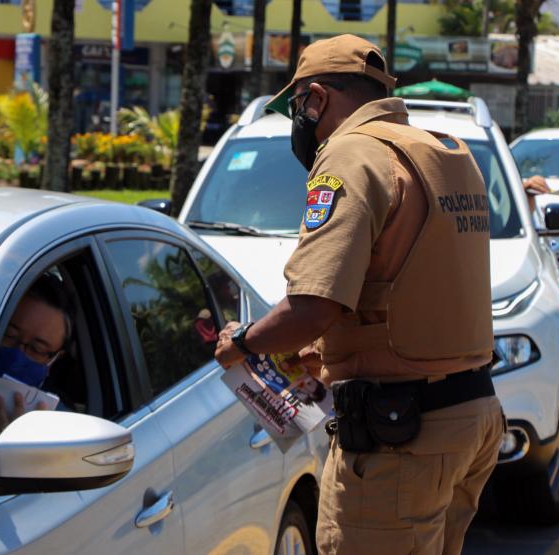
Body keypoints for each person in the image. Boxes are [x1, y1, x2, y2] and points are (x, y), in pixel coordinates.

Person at [214, 34, 503, 555]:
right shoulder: (444, 153)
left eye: (298, 106)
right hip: (470, 419)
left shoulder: (351, 154)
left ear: (317, 98)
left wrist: (243, 343)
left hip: (404, 438)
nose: (299, 122)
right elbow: (410, 286)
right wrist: (330, 354)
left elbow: (312, 306)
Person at [0, 274, 73, 431]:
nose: (17, 355)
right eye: (9, 335)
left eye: (37, 349)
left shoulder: (59, 429)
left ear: (54, 360)